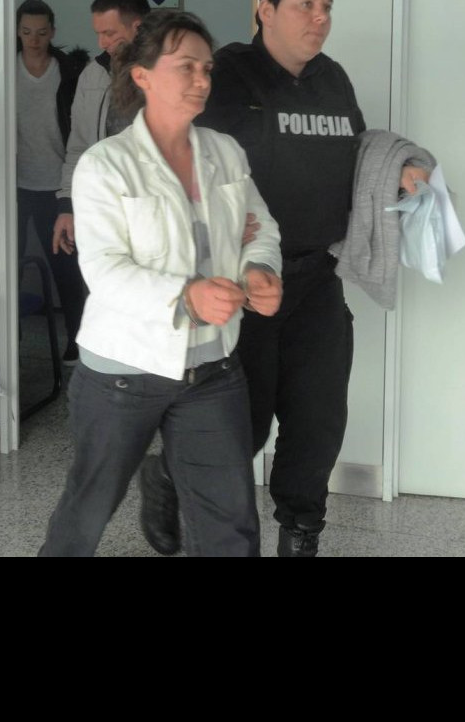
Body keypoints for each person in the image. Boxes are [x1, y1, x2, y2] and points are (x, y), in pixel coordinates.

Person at [137, 0, 428, 557]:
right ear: (264, 10)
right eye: (304, 4)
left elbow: (355, 155)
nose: (319, 17)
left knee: (318, 421)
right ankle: (169, 475)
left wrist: (398, 169)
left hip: (317, 277)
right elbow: (173, 150)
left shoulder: (332, 78)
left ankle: (301, 532)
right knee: (241, 426)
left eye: (326, 6)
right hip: (243, 284)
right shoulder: (226, 74)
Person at [39, 10, 283, 558]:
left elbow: (260, 228)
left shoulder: (224, 152)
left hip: (213, 368)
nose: (201, 80)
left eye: (207, 68)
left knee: (230, 522)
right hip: (123, 373)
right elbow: (105, 270)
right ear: (143, 75)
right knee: (87, 509)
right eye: (185, 67)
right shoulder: (107, 165)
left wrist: (259, 270)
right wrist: (186, 295)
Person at [48, 0, 151, 264]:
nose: (102, 43)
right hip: (102, 208)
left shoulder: (166, 72)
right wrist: (67, 204)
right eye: (98, 33)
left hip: (153, 209)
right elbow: (79, 146)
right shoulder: (92, 75)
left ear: (137, 27)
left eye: (109, 33)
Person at [15, 0, 90, 363]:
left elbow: (81, 131)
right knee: (8, 268)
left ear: (53, 32)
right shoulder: (3, 69)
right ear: (17, 32)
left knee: (66, 270)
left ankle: (75, 344)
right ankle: (9, 340)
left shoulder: (69, 72)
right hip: (13, 187)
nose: (34, 40)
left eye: (42, 33)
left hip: (57, 186)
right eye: (27, 32)